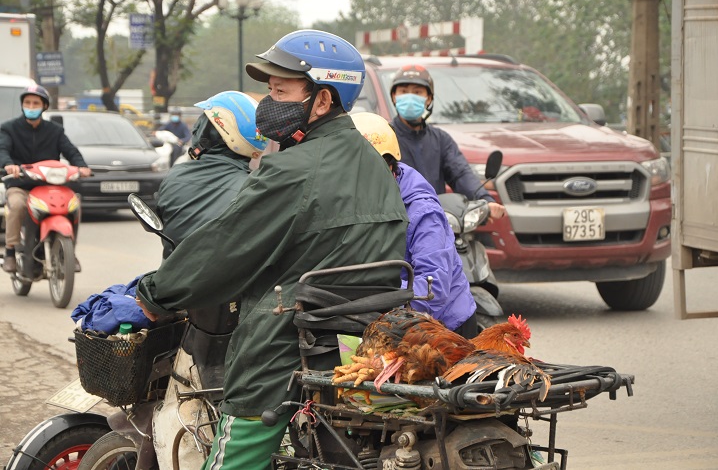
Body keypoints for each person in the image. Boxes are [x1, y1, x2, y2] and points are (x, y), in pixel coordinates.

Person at [134, 30, 408, 470]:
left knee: (233, 460)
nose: (268, 100)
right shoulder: (372, 166)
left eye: (280, 90)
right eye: (268, 90)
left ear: (322, 101)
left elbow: (226, 244)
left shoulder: (294, 169)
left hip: (284, 345)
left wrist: (154, 294)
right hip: (353, 340)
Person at [352, 112, 478, 339]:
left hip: (446, 328)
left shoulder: (422, 212)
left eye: (369, 172)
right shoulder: (352, 198)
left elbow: (433, 288)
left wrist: (373, 295)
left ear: (390, 168)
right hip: (395, 322)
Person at [155, 91, 269, 259]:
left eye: (202, 122)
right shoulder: (257, 188)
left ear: (210, 133)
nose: (196, 128)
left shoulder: (175, 176)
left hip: (171, 280)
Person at [389, 64, 506, 220]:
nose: (410, 97)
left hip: (435, 223)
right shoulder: (384, 136)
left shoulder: (441, 140)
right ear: (394, 97)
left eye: (417, 92)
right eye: (403, 92)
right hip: (396, 223)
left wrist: (484, 200)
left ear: (429, 98)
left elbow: (460, 174)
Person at [0, 84, 92, 273]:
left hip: (50, 186)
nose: (31, 106)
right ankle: (10, 251)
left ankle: (70, 251)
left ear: (45, 106)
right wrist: (9, 164)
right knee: (17, 205)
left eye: (35, 103)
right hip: (21, 185)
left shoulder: (55, 130)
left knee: (74, 206)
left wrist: (81, 166)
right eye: (27, 102)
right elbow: (3, 149)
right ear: (22, 105)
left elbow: (70, 150)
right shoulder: (8, 128)